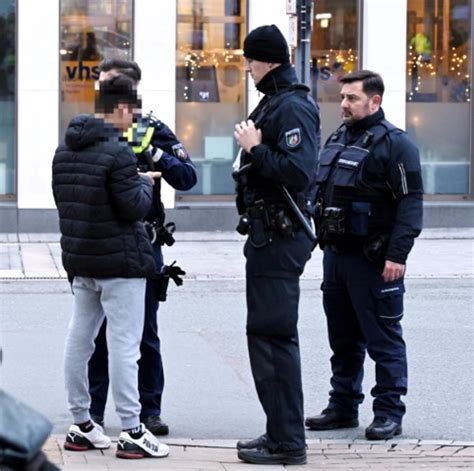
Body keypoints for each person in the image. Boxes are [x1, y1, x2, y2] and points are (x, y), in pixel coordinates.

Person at [52, 75, 169, 458]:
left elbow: (74, 203)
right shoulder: (118, 151)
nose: (132, 121)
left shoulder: (64, 149)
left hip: (81, 259)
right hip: (121, 263)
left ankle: (81, 424)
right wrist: (145, 183)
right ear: (120, 109)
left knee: (79, 340)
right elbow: (133, 207)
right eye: (131, 113)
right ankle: (133, 430)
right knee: (124, 346)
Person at [305, 70, 423, 440]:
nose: (344, 104)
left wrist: (397, 255)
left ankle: (389, 412)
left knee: (383, 340)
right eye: (342, 97)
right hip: (337, 256)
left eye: (352, 98)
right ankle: (343, 406)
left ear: (375, 101)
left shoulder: (396, 144)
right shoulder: (339, 137)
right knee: (342, 339)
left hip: (374, 261)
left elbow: (410, 203)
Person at [87, 59, 197, 435]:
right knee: (98, 335)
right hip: (101, 243)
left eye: (110, 86)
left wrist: (156, 157)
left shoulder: (150, 131)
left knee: (145, 333)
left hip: (143, 243)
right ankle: (94, 413)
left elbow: (187, 177)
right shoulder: (92, 131)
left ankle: (150, 411)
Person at [233, 25, 320, 465]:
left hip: (281, 235)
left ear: (266, 60)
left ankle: (288, 443)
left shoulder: (292, 106)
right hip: (268, 235)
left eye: (249, 60)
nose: (246, 68)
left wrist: (254, 150)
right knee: (265, 335)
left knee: (273, 336)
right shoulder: (274, 101)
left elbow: (300, 173)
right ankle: (279, 433)